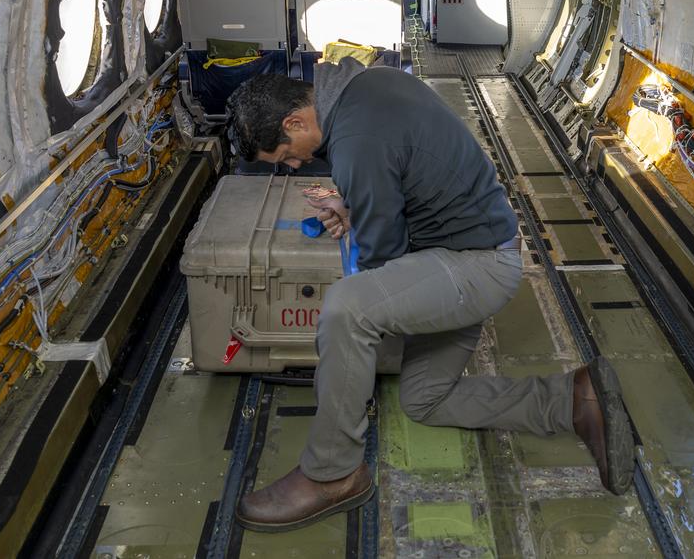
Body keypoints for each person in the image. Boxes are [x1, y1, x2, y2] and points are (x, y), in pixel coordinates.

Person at [225, 60, 634, 532]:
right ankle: (571, 400)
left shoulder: (357, 141)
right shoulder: (368, 86)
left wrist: (353, 353)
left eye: (285, 156)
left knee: (347, 309)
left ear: (295, 122)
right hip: (467, 249)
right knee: (425, 400)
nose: (295, 165)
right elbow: (406, 167)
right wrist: (355, 203)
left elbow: (381, 260)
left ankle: (333, 473)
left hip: (475, 266)